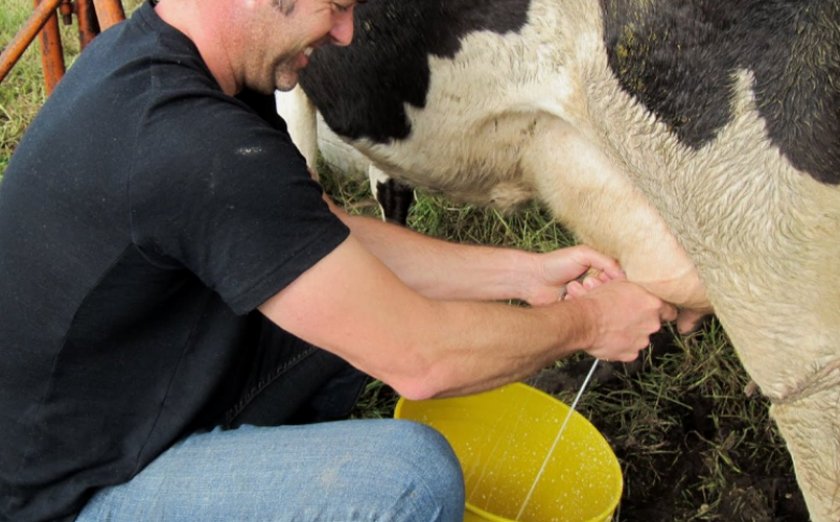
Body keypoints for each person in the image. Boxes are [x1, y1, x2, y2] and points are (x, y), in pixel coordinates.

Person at [0, 0, 677, 520]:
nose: (347, 34)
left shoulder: (173, 62)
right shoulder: (189, 140)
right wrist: (590, 324)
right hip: (66, 496)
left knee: (351, 309)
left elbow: (317, 235)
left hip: (114, 405)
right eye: (336, 5)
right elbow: (424, 359)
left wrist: (527, 275)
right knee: (408, 480)